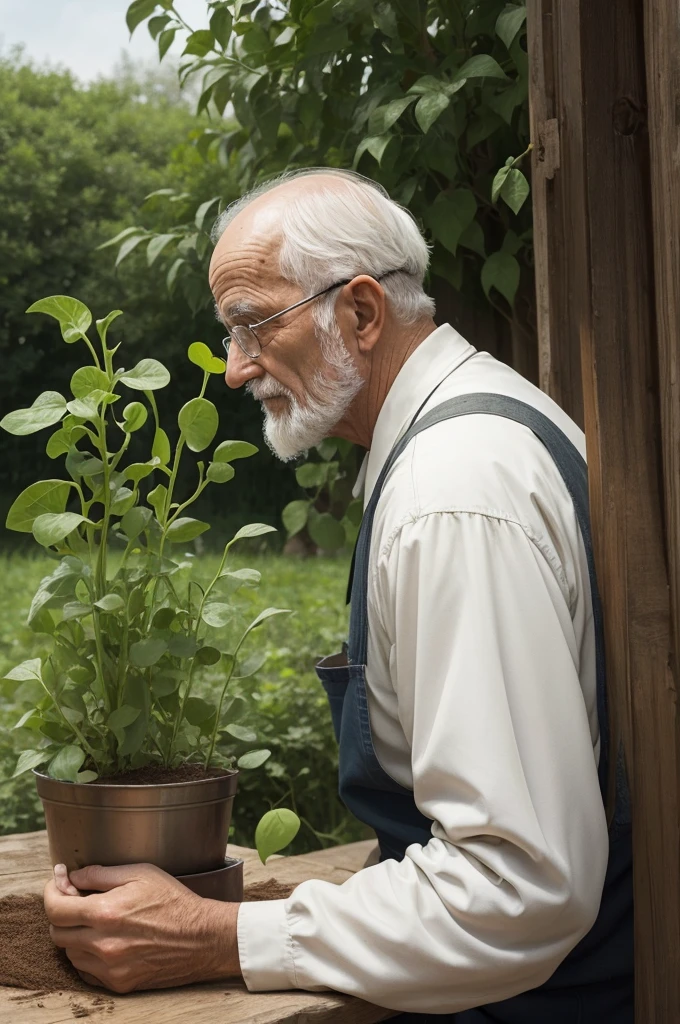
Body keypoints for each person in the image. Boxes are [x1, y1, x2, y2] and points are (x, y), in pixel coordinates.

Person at [44, 169, 633, 1021]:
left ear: (360, 312)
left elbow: (516, 888)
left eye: (253, 326)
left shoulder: (452, 492)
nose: (238, 369)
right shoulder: (477, 428)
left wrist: (215, 933)